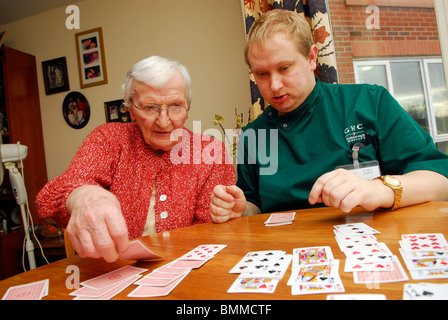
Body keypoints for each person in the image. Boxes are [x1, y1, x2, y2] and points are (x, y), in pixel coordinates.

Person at [210, 9, 448, 223]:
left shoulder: (369, 102)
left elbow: (440, 180)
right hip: (287, 254)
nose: (274, 85)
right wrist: (240, 210)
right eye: (262, 74)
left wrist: (379, 190)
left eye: (284, 68)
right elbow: (255, 207)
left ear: (312, 58)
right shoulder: (254, 136)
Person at [37, 56, 235, 262]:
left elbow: (212, 233)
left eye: (176, 105)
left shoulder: (210, 152)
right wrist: (83, 197)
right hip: (115, 271)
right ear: (131, 109)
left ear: (187, 109)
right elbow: (50, 198)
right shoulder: (109, 138)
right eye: (150, 107)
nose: (164, 120)